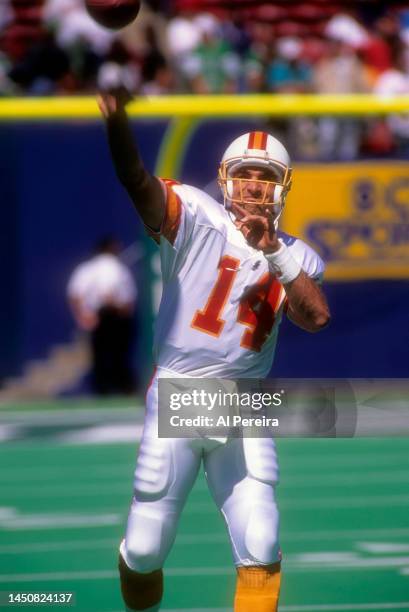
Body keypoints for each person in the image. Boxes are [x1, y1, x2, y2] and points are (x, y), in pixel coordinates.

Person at [98, 93, 330, 611]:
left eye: (265, 176)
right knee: (144, 547)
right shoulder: (195, 217)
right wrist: (118, 125)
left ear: (282, 188)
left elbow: (316, 317)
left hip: (247, 401)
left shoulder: (297, 255)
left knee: (261, 538)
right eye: (245, 173)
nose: (253, 184)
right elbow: (136, 179)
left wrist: (274, 251)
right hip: (180, 387)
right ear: (226, 178)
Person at [67, 236, 137, 395]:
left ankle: (106, 389)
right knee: (117, 355)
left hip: (100, 316)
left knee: (104, 355)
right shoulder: (117, 268)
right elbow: (128, 299)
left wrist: (83, 316)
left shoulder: (87, 269)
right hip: (113, 316)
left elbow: (75, 295)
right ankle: (119, 388)